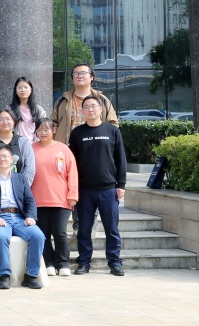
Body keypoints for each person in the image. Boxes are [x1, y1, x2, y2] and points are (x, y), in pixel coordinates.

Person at [69, 95, 127, 276]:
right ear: (82, 111)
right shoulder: (77, 133)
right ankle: (84, 262)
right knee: (84, 229)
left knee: (112, 229)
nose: (90, 109)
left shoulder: (112, 130)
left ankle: (115, 263)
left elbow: (121, 159)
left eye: (93, 106)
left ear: (101, 109)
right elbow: (72, 163)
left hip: (108, 189)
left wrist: (121, 184)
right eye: (86, 106)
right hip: (84, 190)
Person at [0, 143, 45, 289]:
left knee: (38, 236)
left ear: (11, 159)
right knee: (1, 237)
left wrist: (31, 216)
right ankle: (4, 275)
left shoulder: (20, 178)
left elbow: (30, 200)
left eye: (5, 156)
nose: (2, 159)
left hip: (19, 218)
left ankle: (31, 275)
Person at [31, 117, 79, 277]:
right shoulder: (31, 149)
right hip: (38, 199)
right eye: (39, 130)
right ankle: (49, 263)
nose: (43, 133)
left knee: (59, 232)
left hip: (61, 199)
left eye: (46, 129)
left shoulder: (63, 149)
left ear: (54, 130)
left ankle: (63, 263)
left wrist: (73, 194)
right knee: (43, 233)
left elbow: (72, 173)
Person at [52, 63, 118, 144]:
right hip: (68, 147)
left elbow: (113, 125)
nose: (79, 76)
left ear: (91, 77)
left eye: (83, 73)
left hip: (95, 146)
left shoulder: (102, 100)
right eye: (76, 74)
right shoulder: (63, 101)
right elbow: (53, 125)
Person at [0, 109, 36, 183]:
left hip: (20, 186)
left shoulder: (24, 142)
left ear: (14, 121)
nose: (5, 122)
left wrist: (22, 186)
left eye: (8, 119)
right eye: (1, 119)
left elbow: (30, 169)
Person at [9, 77, 47, 142]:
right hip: (17, 145)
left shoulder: (39, 110)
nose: (23, 90)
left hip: (35, 145)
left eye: (26, 87)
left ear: (31, 90)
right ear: (15, 90)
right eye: (20, 87)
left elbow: (44, 128)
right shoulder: (10, 109)